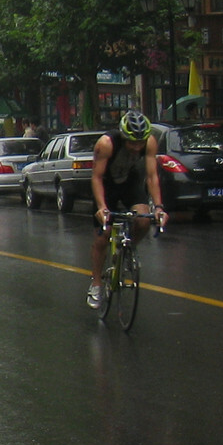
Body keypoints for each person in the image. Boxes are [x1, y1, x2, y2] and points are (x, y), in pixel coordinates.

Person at [88, 110, 167, 308]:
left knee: (143, 220)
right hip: (106, 184)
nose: (137, 147)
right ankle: (96, 283)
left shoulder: (149, 142)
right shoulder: (106, 144)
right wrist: (102, 207)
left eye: (140, 142)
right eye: (132, 143)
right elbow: (96, 177)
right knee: (103, 235)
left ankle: (128, 248)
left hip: (129, 181)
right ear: (123, 137)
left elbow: (151, 176)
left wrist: (158, 207)